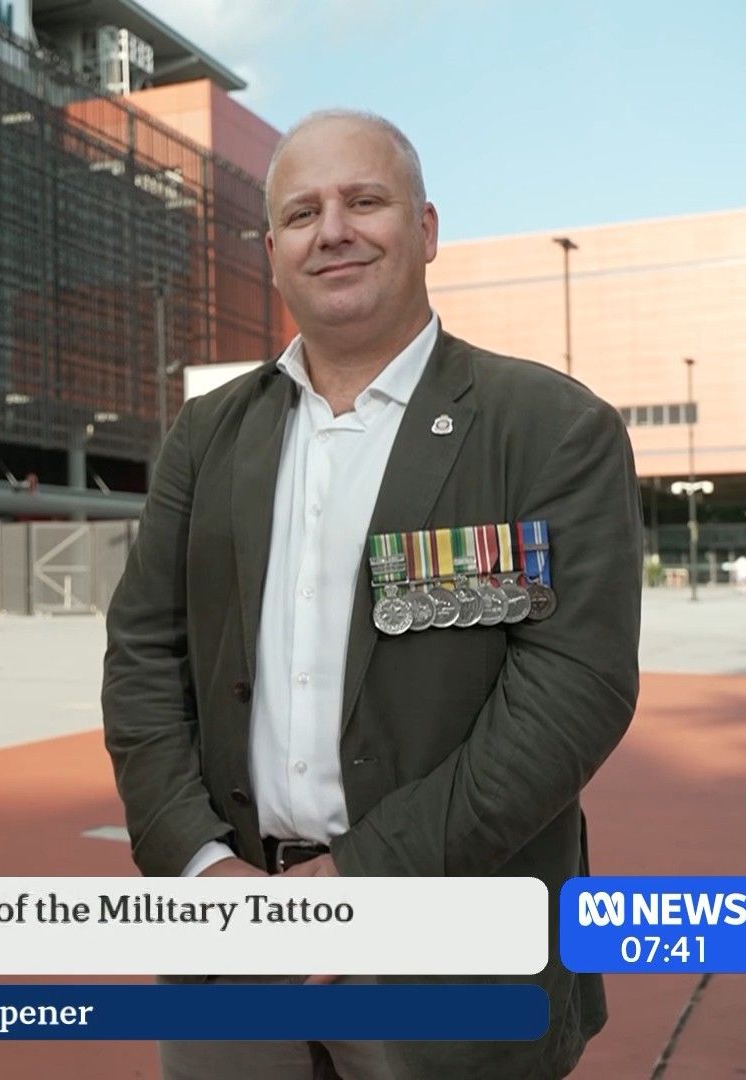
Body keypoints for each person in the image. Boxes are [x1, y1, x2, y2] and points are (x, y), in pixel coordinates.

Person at [101, 109, 641, 1079]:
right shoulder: (206, 436)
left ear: (425, 230)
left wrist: (360, 878)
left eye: (364, 201)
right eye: (302, 213)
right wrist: (197, 862)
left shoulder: (548, 429)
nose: (334, 231)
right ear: (273, 251)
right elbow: (145, 655)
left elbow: (572, 693)